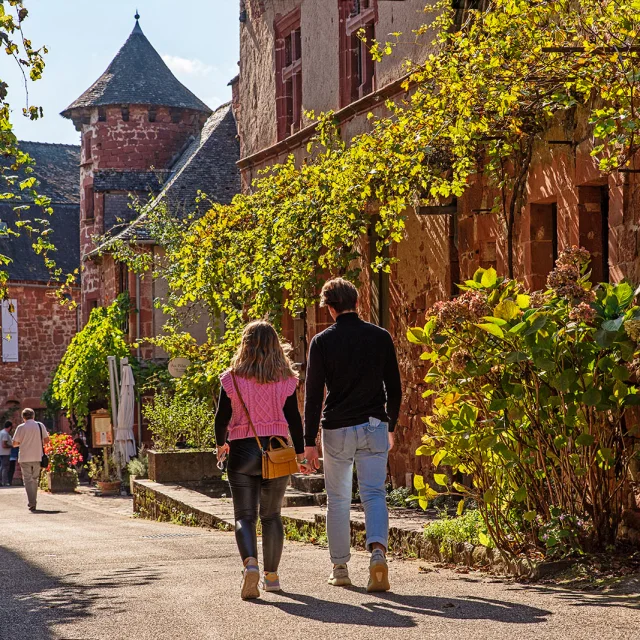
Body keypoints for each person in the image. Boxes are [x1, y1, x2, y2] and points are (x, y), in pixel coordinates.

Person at [304, 277, 402, 592]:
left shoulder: (321, 342)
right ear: (357, 302)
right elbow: (395, 388)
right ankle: (377, 554)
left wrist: (308, 442)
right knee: (374, 493)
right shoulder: (380, 337)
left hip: (337, 428)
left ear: (330, 308)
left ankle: (340, 568)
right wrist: (391, 425)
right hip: (374, 424)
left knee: (338, 499)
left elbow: (312, 395)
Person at [215, 320, 309, 600]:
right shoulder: (286, 380)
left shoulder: (232, 378)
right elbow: (294, 419)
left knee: (244, 516)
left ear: (246, 345)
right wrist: (301, 452)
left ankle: (250, 565)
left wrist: (221, 445)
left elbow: (221, 417)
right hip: (277, 452)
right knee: (272, 516)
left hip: (242, 451)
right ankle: (272, 577)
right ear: (276, 346)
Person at [11, 408, 50, 511]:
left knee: (28, 480)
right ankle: (33, 501)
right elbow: (46, 441)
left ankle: (32, 502)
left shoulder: (20, 427)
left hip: (24, 457)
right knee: (35, 479)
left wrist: (22, 443)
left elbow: (14, 444)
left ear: (23, 417)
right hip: (37, 456)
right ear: (34, 416)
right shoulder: (40, 425)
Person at [0, 421, 13, 486]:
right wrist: (11, 446)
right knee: (5, 467)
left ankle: (2, 481)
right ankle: (4, 481)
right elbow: (4, 445)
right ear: (10, 427)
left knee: (2, 467)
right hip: (5, 453)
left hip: (1, 452)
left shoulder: (1, 432)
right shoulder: (5, 434)